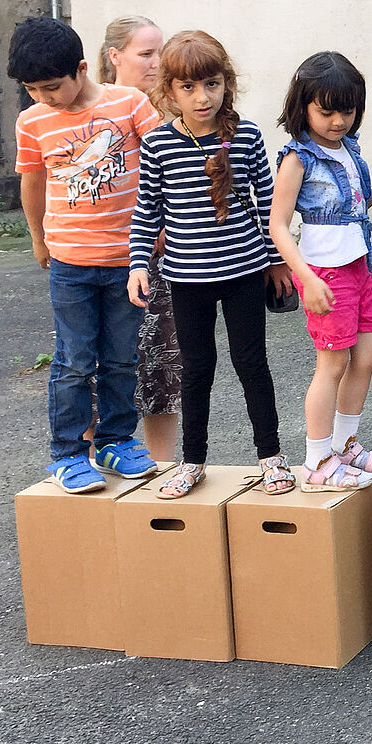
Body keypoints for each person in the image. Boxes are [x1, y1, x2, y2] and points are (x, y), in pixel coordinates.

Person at [127, 31, 295, 498]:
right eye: (188, 87)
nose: (202, 97)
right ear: (169, 91)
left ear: (227, 84)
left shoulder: (246, 135)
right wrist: (138, 264)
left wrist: (278, 262)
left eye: (212, 84)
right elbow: (148, 211)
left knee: (251, 364)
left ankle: (271, 457)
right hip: (186, 278)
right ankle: (192, 460)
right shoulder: (159, 143)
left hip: (244, 272)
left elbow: (270, 206)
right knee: (196, 369)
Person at [8, 16, 159, 492]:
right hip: (71, 263)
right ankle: (69, 453)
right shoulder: (31, 122)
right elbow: (32, 183)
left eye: (51, 87)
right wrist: (38, 237)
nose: (43, 98)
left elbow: (162, 165)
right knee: (74, 360)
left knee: (120, 357)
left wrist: (160, 230)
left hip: (126, 262)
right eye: (32, 89)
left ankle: (117, 441)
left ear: (80, 68)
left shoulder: (131, 104)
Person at [269, 52, 372, 491]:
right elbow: (277, 226)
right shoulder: (297, 158)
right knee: (332, 363)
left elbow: (355, 210)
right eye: (326, 111)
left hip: (358, 265)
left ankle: (344, 446)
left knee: (367, 356)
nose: (339, 120)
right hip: (326, 273)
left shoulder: (348, 149)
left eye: (348, 110)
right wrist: (307, 278)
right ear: (303, 105)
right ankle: (317, 461)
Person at [98, 15, 181, 462]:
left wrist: (166, 232)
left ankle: (160, 467)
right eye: (145, 53)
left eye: (159, 53)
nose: (156, 62)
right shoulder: (95, 109)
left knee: (159, 368)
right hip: (102, 257)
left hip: (159, 259)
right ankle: (97, 464)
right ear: (115, 57)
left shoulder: (172, 108)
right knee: (97, 366)